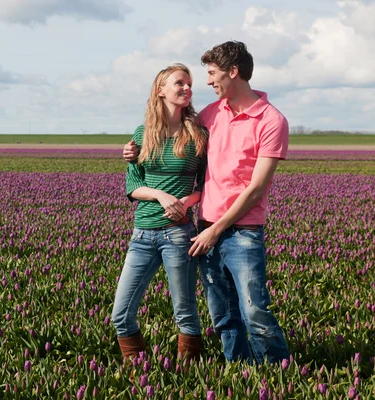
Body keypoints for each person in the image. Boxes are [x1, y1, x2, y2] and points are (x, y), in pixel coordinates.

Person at [123, 41, 290, 365]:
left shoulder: (271, 120)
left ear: (233, 71)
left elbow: (256, 188)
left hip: (243, 231)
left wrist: (217, 229)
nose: (208, 82)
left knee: (254, 309)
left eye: (212, 74)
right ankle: (238, 369)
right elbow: (169, 137)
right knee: (222, 313)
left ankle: (276, 373)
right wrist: (133, 151)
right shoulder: (210, 116)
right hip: (205, 228)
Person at [112, 63, 208, 364]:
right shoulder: (142, 134)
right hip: (142, 233)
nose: (187, 88)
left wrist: (186, 201)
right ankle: (139, 374)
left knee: (185, 313)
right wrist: (160, 195)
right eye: (179, 83)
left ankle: (185, 377)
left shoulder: (197, 134)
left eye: (189, 84)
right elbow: (133, 185)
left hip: (179, 233)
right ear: (160, 90)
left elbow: (206, 185)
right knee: (121, 315)